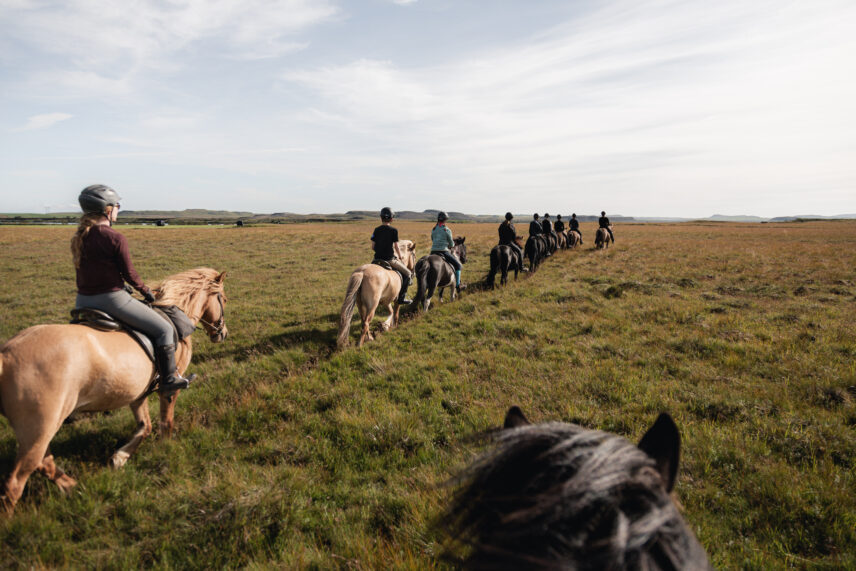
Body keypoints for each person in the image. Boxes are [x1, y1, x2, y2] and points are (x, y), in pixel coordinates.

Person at [71, 184, 193, 395]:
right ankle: (169, 379)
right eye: (117, 205)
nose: (118, 208)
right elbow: (130, 274)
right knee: (164, 329)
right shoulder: (115, 238)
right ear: (107, 210)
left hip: (82, 301)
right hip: (112, 300)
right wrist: (146, 291)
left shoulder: (80, 237)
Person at [371, 207, 412, 305]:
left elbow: (373, 247)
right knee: (408, 274)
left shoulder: (376, 230)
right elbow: (396, 246)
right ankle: (401, 298)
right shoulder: (394, 230)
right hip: (389, 259)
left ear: (381, 218)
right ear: (391, 219)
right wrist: (400, 257)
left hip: (376, 259)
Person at [431, 211, 465, 292]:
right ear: (445, 220)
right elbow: (451, 243)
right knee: (458, 265)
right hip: (443, 251)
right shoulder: (447, 230)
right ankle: (458, 285)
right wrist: (451, 245)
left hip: (433, 252)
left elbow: (432, 239)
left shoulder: (434, 229)